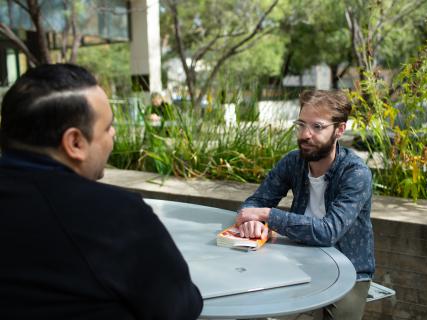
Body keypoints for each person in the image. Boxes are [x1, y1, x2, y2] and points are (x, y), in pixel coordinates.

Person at [0, 64, 203, 319]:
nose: (113, 135)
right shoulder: (116, 216)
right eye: (107, 127)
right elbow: (180, 307)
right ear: (75, 143)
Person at [236, 90, 374, 320]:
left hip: (349, 268)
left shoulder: (355, 173)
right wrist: (252, 220)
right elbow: (255, 202)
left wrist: (268, 216)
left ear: (340, 130)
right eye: (301, 124)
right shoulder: (293, 161)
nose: (305, 134)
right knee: (252, 303)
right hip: (296, 257)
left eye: (317, 127)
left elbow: (328, 232)